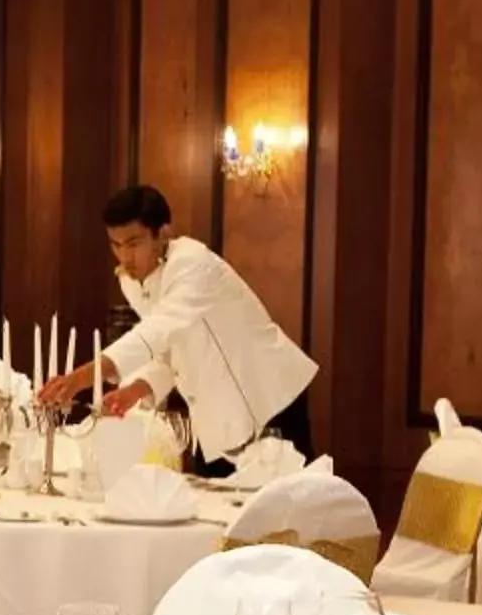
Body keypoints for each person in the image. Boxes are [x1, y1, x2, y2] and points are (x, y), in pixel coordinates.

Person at [38, 183, 317, 465]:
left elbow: (157, 330)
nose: (125, 257)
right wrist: (135, 390)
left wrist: (81, 379)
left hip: (267, 398)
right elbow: (168, 352)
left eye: (134, 244)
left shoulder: (193, 264)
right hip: (219, 414)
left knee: (289, 502)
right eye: (115, 244)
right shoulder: (132, 282)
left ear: (163, 234)